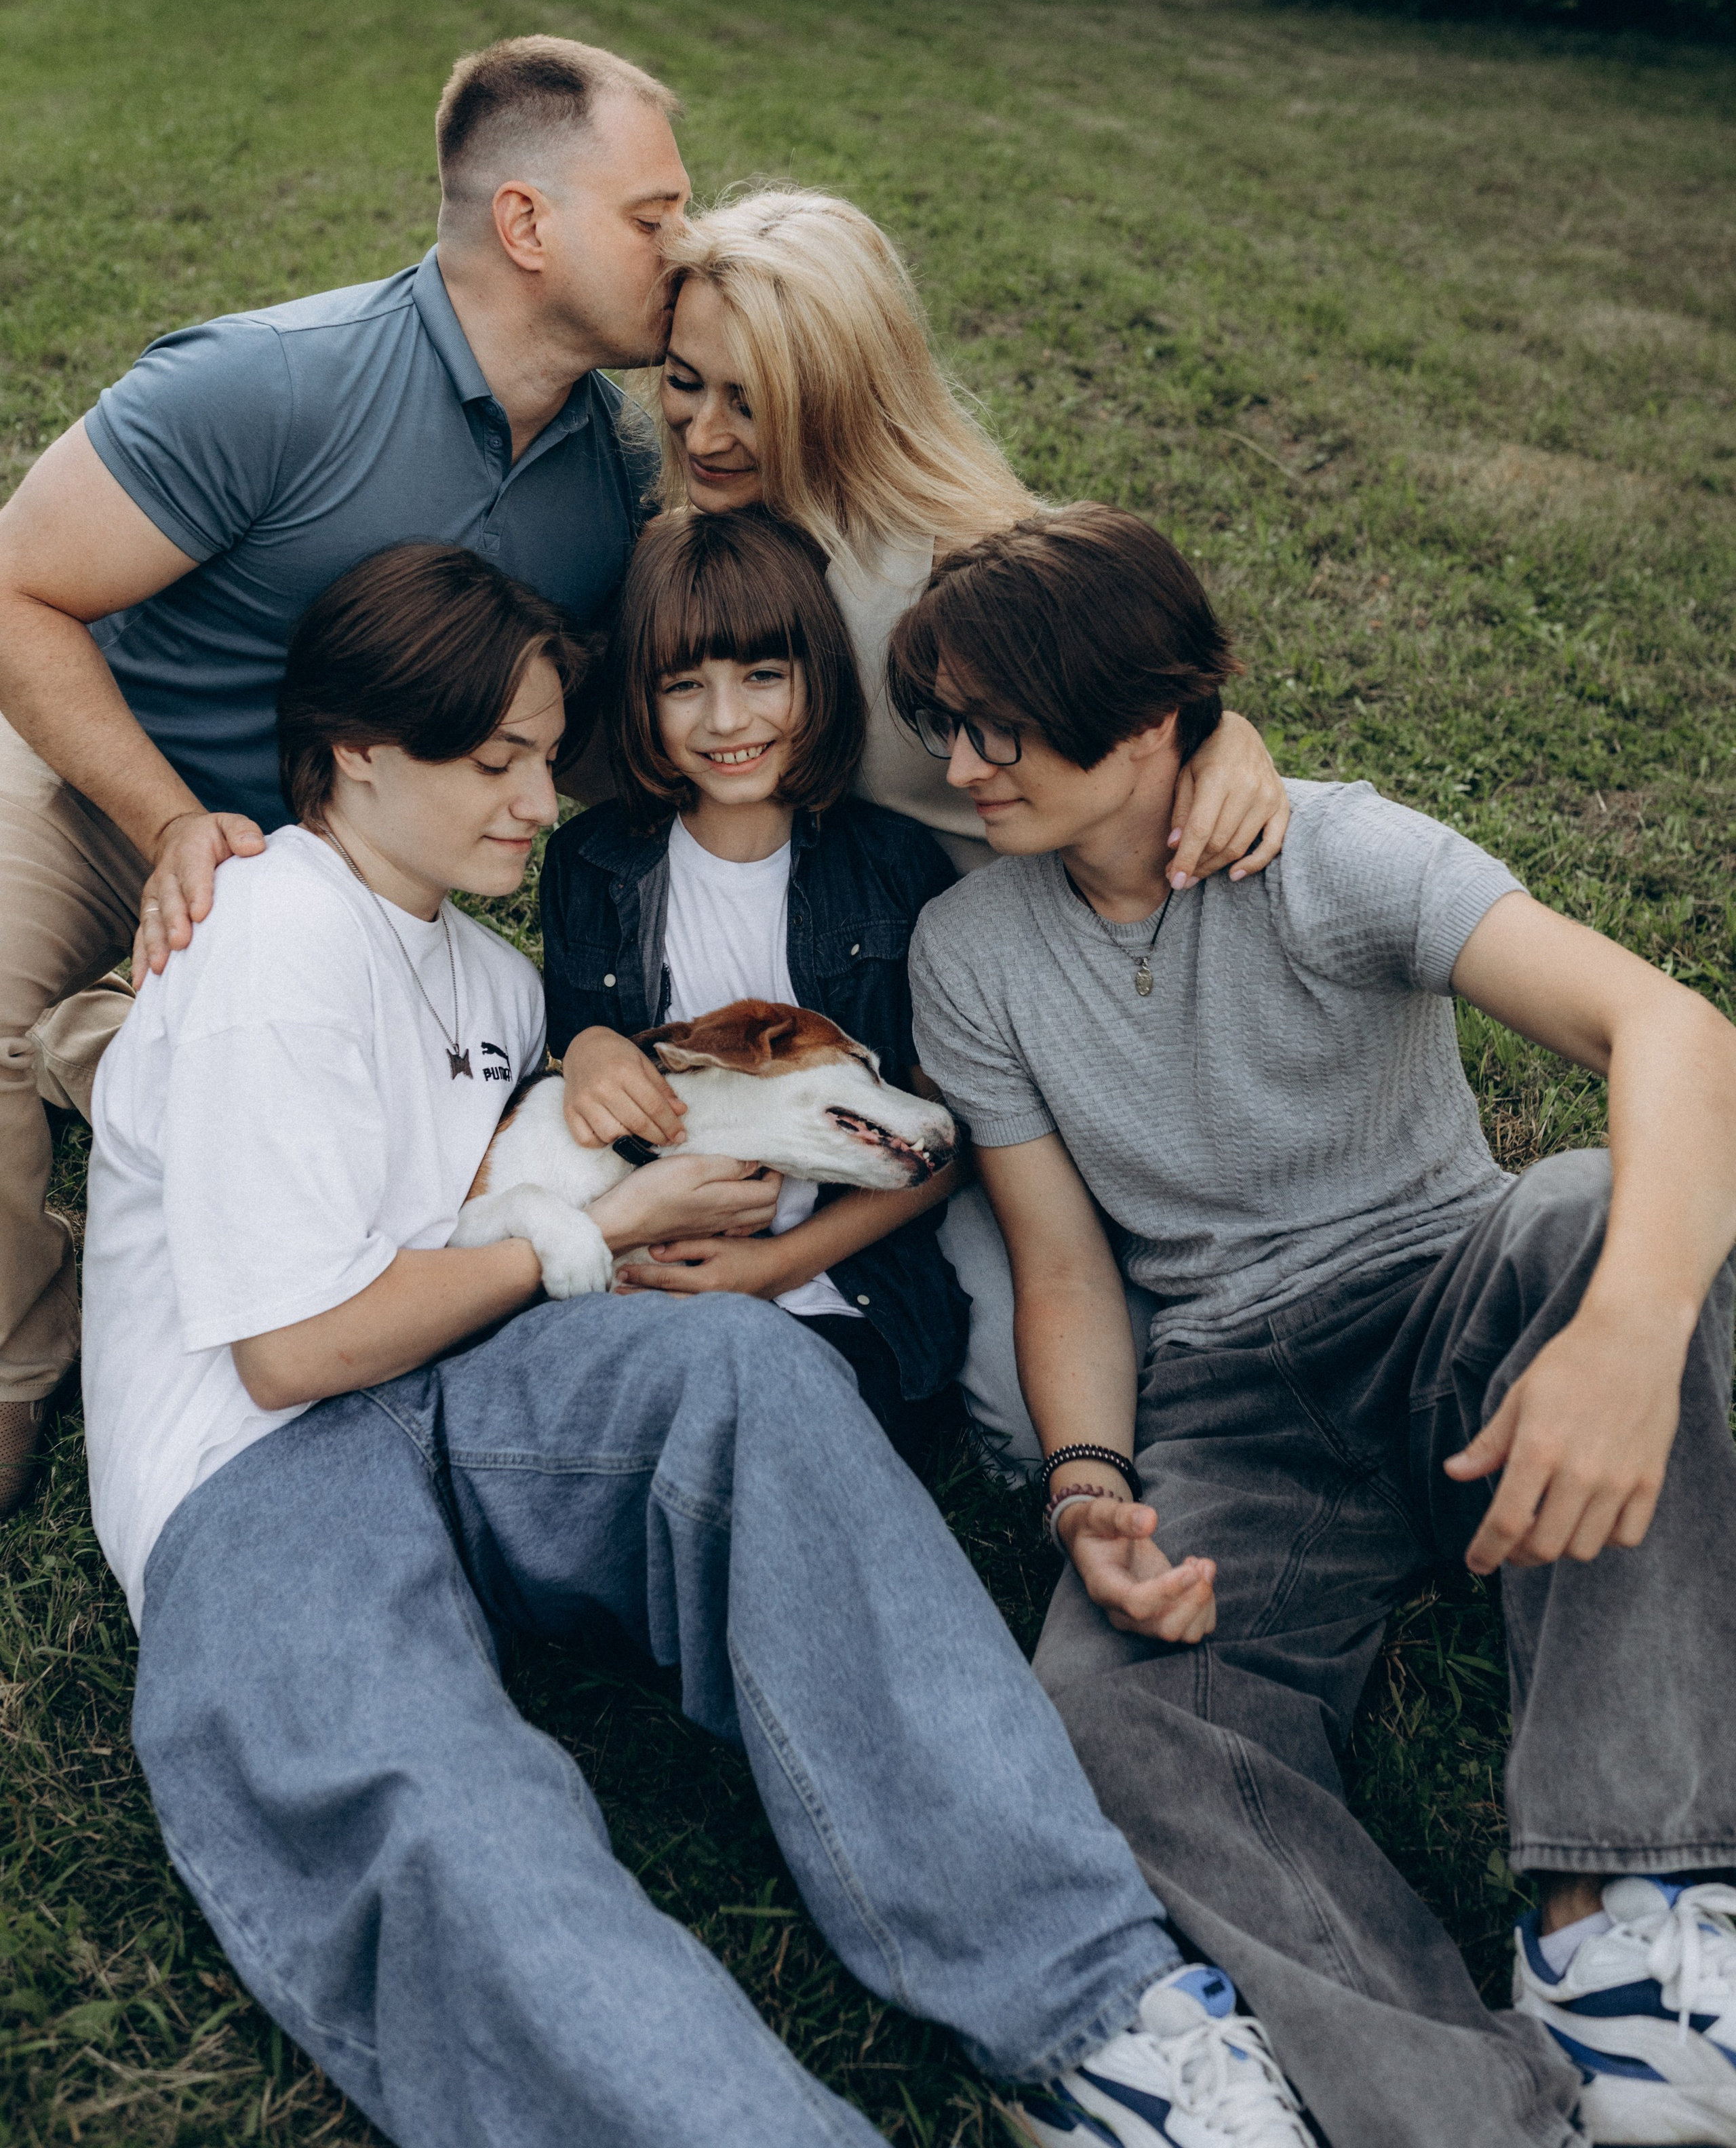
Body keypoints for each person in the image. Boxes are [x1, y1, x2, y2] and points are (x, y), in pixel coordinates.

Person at [83, 538, 1318, 2148]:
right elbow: (294, 1352)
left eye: (543, 756)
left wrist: (1217, 733)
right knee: (444, 1811)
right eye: (495, 762)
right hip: (260, 1477)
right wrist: (602, 1232)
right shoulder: (273, 936)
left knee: (755, 1374)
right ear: (355, 755)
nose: (538, 800)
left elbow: (578, 1125)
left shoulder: (485, 964)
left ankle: (1101, 2012)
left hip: (479, 1391)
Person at [893, 504, 1736, 2148]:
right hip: (1231, 1394)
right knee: (1105, 1700)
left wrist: (1628, 1334)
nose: (961, 762)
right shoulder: (968, 948)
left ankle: (1618, 1927)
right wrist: (1087, 1491)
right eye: (941, 722)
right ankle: (1463, 2108)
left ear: (1145, 720)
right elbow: (1061, 1262)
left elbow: (1670, 1028)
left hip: (1447, 1296)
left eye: (995, 724)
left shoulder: (1331, 852)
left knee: (1584, 1208)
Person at [0, 31, 690, 1513]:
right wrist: (172, 821)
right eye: (652, 215)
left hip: (366, 859)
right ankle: (13, 1395)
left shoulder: (616, 476)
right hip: (115, 784)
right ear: (526, 223)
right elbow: (16, 590)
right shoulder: (268, 386)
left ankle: (133, 1062)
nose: (681, 247)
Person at [648, 184, 1293, 1462]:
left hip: (1041, 990)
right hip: (881, 1013)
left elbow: (1141, 696)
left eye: (752, 402)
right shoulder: (688, 559)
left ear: (840, 393)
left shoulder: (949, 561)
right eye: (683, 383)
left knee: (1061, 1374)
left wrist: (1234, 738)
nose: (706, 433)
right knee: (1002, 1398)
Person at [540, 505, 966, 1470]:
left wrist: (773, 1267)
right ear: (640, 702)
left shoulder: (893, 869)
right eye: (684, 685)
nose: (727, 721)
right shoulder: (590, 865)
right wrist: (591, 1050)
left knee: (784, 1450)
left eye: (763, 676)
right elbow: (575, 1060)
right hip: (648, 1272)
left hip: (844, 1286)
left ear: (818, 674)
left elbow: (946, 1141)